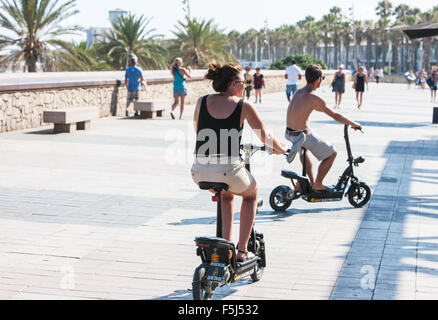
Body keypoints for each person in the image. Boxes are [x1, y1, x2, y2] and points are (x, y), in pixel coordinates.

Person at [191, 61, 287, 261]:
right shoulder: (243, 105)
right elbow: (264, 137)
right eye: (244, 82)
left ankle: (226, 246)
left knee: (227, 195)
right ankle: (242, 250)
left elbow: (197, 129)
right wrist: (280, 149)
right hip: (228, 169)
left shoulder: (201, 101)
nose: (246, 86)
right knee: (251, 194)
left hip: (199, 171)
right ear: (233, 84)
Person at [285, 64, 362, 192]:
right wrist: (353, 123)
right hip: (301, 135)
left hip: (290, 134)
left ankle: (312, 181)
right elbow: (334, 115)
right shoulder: (314, 97)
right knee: (332, 153)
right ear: (318, 79)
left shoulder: (299, 92)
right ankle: (318, 184)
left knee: (304, 151)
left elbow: (303, 109)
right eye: (322, 78)